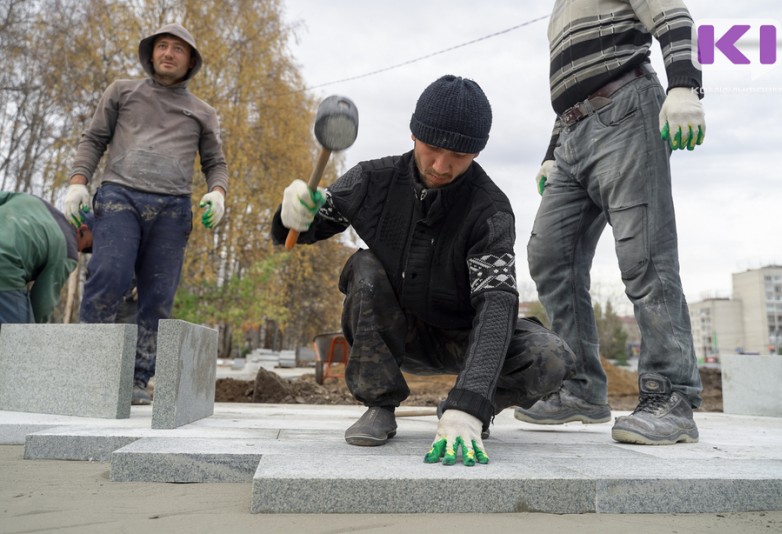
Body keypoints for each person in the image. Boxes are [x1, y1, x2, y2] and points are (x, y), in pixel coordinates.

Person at [271, 75, 576, 466]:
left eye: (460, 156)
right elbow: (302, 229)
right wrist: (291, 215)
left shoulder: (490, 210)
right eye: (432, 148)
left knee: (552, 357)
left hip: (464, 338)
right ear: (414, 134)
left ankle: (461, 409)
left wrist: (471, 402)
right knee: (364, 266)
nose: (441, 166)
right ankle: (379, 405)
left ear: (477, 153)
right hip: (399, 331)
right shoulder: (371, 180)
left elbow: (497, 303)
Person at [516, 0, 706, 445]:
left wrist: (684, 86)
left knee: (645, 256)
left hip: (625, 110)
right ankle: (579, 389)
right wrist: (551, 153)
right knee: (548, 255)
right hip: (572, 135)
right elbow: (572, 83)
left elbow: (674, 18)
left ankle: (672, 396)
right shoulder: (559, 11)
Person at [62, 23, 229, 405]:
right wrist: (77, 181)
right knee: (109, 275)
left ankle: (138, 380)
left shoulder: (203, 112)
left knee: (157, 298)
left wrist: (217, 194)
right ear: (151, 53)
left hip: (172, 209)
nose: (169, 53)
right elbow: (94, 139)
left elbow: (215, 162)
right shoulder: (123, 91)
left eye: (178, 49)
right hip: (120, 196)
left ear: (190, 62)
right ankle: (90, 373)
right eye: (162, 46)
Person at [0, 192, 93, 324]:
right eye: (87, 245)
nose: (79, 250)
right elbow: (43, 301)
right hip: (5, 268)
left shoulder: (30, 199)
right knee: (20, 338)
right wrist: (35, 330)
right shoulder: (68, 248)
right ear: (82, 228)